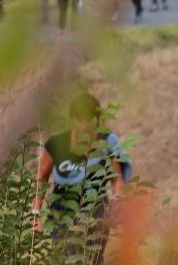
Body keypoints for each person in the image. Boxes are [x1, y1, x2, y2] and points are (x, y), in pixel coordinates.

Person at [31, 91, 128, 234]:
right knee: (61, 254)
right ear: (71, 120)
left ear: (97, 121)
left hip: (96, 212)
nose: (83, 126)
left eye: (88, 120)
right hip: (61, 214)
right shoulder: (56, 144)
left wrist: (116, 201)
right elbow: (41, 179)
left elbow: (117, 179)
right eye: (79, 120)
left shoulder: (107, 142)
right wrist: (35, 214)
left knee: (94, 255)